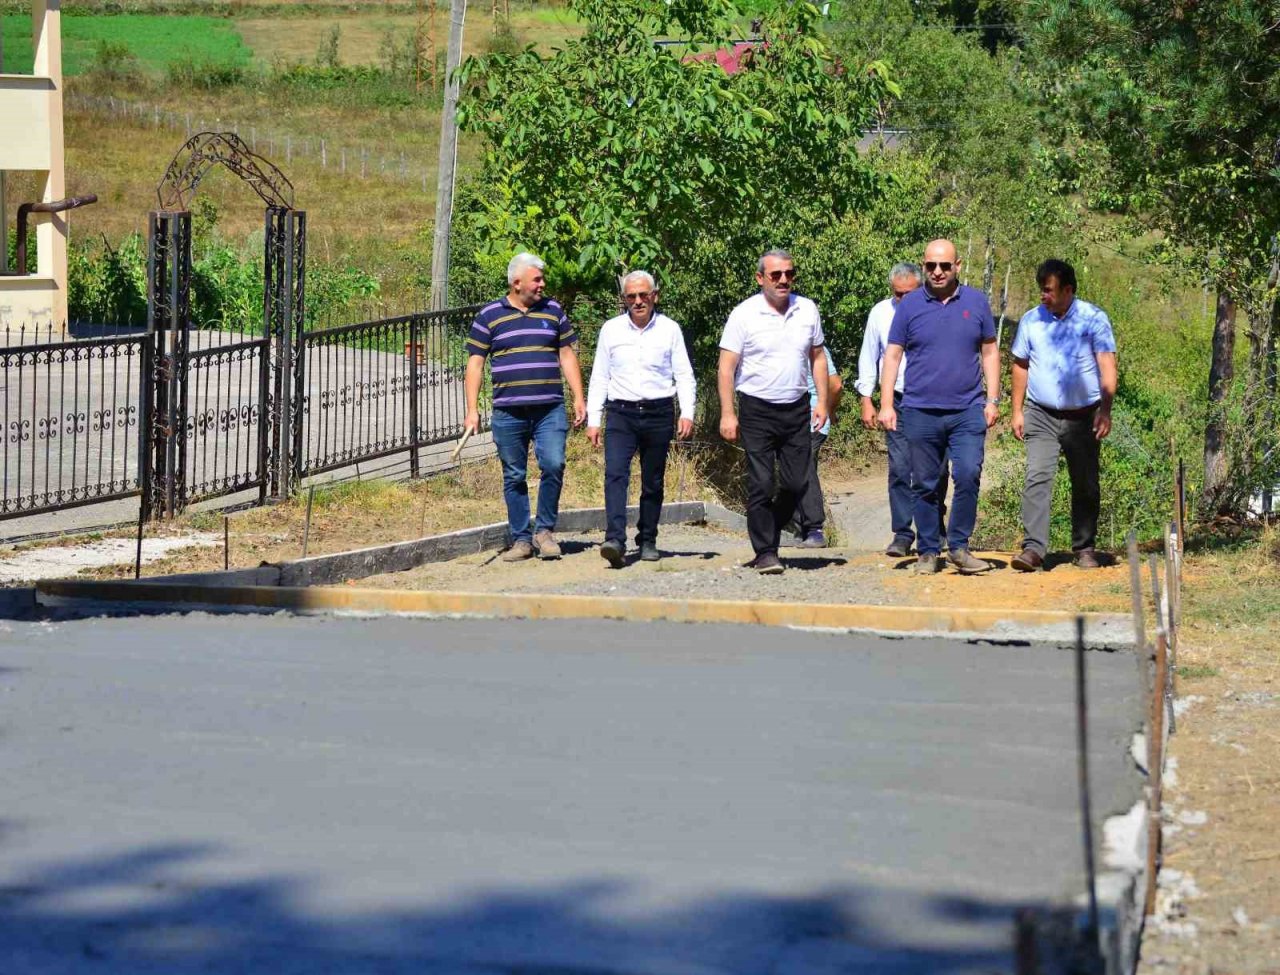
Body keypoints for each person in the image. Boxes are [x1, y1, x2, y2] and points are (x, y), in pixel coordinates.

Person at [879, 239, 1000, 575]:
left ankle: (959, 547)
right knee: (925, 484)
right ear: (924, 266)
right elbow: (893, 355)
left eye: (944, 265)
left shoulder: (976, 302)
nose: (937, 272)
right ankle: (928, 552)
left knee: (968, 474)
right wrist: (886, 403)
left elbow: (990, 351)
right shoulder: (909, 305)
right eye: (931, 265)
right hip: (919, 410)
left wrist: (992, 400)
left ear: (957, 266)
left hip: (967, 410)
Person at [463, 252, 586, 561]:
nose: (543, 284)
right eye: (537, 279)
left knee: (554, 464)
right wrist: (472, 410)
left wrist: (578, 396)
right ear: (517, 283)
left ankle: (544, 532)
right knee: (514, 475)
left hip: (549, 409)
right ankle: (521, 539)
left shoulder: (553, 311)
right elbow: (475, 363)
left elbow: (567, 355)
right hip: (508, 412)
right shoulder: (489, 315)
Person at [719, 249, 828, 575]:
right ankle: (766, 552)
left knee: (797, 483)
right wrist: (728, 413)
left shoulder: (807, 309)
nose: (783, 280)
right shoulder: (744, 314)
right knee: (762, 483)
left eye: (789, 274)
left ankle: (769, 529)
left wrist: (822, 402)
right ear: (760, 278)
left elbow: (818, 357)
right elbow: (726, 367)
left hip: (796, 408)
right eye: (776, 275)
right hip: (757, 408)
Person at [1010, 259, 1118, 571]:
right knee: (1037, 476)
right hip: (1040, 412)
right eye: (1041, 289)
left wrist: (1105, 410)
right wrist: (1016, 411)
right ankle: (1033, 549)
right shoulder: (1031, 320)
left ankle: (1084, 548)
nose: (1042, 295)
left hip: (1084, 416)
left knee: (1085, 482)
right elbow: (1020, 365)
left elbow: (1107, 365)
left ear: (1068, 290)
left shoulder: (1093, 319)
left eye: (1049, 290)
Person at [586, 271, 696, 567]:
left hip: (659, 412)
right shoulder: (611, 330)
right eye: (631, 296)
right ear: (624, 299)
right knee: (615, 474)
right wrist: (594, 418)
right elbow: (600, 375)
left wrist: (687, 412)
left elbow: (684, 374)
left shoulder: (670, 329)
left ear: (654, 296)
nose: (637, 301)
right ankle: (615, 539)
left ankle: (647, 538)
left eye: (643, 295)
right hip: (620, 413)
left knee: (653, 480)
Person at [855, 262, 947, 557]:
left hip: (933, 401)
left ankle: (934, 528)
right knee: (899, 467)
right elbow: (870, 355)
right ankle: (903, 533)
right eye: (898, 294)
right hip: (896, 399)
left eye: (910, 293)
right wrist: (866, 398)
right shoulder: (880, 313)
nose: (904, 299)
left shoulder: (938, 309)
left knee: (936, 469)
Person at [793, 345, 842, 548]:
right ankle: (801, 530)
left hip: (812, 419)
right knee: (798, 470)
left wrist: (829, 410)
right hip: (800, 420)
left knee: (803, 468)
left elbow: (836, 385)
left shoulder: (815, 348)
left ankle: (814, 530)